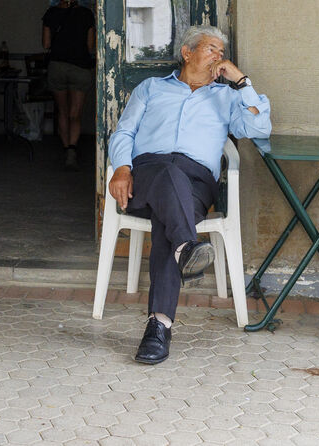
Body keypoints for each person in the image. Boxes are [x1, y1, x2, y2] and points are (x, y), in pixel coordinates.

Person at [107, 26, 271, 364]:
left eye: (222, 52)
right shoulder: (151, 89)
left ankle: (161, 318)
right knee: (168, 174)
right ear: (187, 52)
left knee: (172, 211)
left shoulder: (226, 97)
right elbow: (124, 131)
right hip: (147, 176)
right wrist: (122, 167)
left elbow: (258, 129)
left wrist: (241, 82)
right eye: (211, 48)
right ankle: (181, 264)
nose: (218, 57)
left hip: (195, 184)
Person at [43, 0, 96, 169]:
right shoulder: (86, 14)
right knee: (75, 113)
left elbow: (46, 43)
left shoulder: (50, 13)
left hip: (57, 66)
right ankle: (73, 149)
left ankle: (66, 149)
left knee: (62, 112)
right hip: (80, 68)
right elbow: (90, 47)